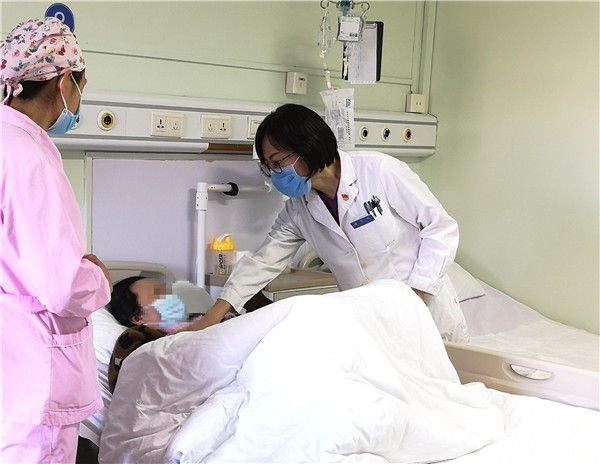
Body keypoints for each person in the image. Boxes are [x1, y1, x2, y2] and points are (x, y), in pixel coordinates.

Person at [193, 103, 465, 340]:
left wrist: (415, 296)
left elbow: (441, 229)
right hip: (371, 324)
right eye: (269, 166)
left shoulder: (379, 172)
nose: (275, 174)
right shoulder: (299, 209)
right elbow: (263, 261)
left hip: (426, 315)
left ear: (305, 147)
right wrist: (213, 316)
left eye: (277, 163)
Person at [0, 18, 112, 463]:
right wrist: (97, 278)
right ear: (65, 82)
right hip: (36, 379)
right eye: (81, 85)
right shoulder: (29, 158)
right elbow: (63, 285)